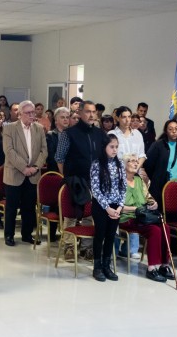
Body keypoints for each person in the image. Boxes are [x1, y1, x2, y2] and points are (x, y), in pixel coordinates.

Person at [55, 101, 106, 257]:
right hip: (74, 181)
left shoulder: (100, 134)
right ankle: (69, 246)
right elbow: (59, 158)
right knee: (70, 215)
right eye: (87, 112)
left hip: (95, 181)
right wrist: (67, 177)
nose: (91, 115)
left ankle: (87, 247)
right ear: (80, 113)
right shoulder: (68, 133)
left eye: (93, 112)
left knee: (90, 216)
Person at [118, 153, 175, 282]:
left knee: (165, 227)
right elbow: (118, 206)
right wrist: (135, 209)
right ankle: (151, 268)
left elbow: (148, 197)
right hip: (126, 218)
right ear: (124, 165)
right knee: (154, 230)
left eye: (136, 161)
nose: (135, 163)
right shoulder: (119, 181)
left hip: (142, 216)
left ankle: (164, 265)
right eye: (131, 161)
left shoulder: (139, 180)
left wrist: (153, 203)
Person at [1, 100, 47, 247]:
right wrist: (24, 168)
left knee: (29, 208)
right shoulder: (9, 129)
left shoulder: (39, 128)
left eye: (33, 112)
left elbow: (44, 151)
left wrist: (35, 167)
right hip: (15, 174)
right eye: (28, 113)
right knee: (12, 208)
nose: (31, 115)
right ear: (20, 114)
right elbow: (9, 151)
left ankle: (27, 235)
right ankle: (9, 235)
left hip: (33, 175)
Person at [109, 106, 146, 259]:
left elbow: (142, 155)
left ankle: (131, 248)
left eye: (129, 117)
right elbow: (110, 157)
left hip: (134, 175)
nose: (127, 120)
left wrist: (136, 168)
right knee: (120, 208)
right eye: (123, 116)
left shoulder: (137, 134)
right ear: (117, 118)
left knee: (137, 204)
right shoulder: (112, 134)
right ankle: (114, 247)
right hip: (117, 177)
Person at [89, 134, 125, 282]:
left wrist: (120, 206)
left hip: (116, 206)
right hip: (101, 206)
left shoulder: (120, 164)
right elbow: (95, 189)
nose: (114, 149)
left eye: (116, 147)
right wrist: (107, 207)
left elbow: (123, 188)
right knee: (100, 235)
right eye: (111, 146)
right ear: (104, 147)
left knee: (111, 236)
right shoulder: (97, 164)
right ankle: (97, 267)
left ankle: (106, 265)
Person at [144, 119, 177, 209]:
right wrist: (156, 176)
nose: (174, 131)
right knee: (162, 209)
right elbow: (148, 164)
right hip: (162, 183)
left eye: (176, 129)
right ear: (166, 131)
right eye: (170, 129)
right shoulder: (158, 145)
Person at [46, 107, 70, 173]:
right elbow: (51, 156)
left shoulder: (72, 134)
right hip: (55, 171)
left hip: (71, 171)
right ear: (56, 120)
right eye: (62, 117)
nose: (65, 119)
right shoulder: (50, 135)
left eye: (67, 117)